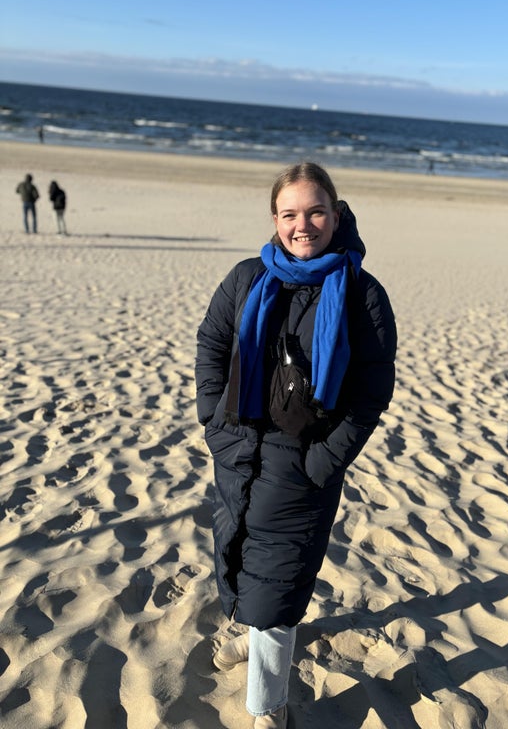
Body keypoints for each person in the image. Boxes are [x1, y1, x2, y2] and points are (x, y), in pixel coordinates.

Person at [195, 162, 397, 728]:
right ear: (274, 219)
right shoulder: (247, 277)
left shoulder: (362, 294)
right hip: (238, 452)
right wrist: (213, 418)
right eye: (290, 214)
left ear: (336, 215)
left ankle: (268, 706)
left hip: (303, 463)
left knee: (279, 580)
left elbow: (370, 393)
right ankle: (252, 634)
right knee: (237, 555)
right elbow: (212, 342)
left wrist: (323, 461)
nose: (302, 226)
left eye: (315, 212)